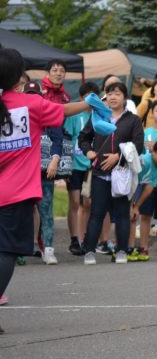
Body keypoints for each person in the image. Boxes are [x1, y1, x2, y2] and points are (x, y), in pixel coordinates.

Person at [0, 48, 93, 334]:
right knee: (6, 252)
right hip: (14, 194)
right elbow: (63, 111)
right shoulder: (30, 104)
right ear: (19, 76)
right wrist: (90, 103)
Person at [79, 82, 144, 265]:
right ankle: (90, 251)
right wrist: (89, 152)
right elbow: (83, 138)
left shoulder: (133, 120)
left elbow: (138, 146)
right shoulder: (98, 116)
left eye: (117, 93)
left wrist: (119, 156)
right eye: (109, 94)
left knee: (122, 213)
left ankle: (122, 250)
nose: (113, 97)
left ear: (125, 97)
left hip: (122, 174)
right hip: (100, 173)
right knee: (97, 213)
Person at [38, 59, 72, 265]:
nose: (58, 73)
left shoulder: (65, 98)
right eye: (54, 70)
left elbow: (58, 133)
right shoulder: (39, 94)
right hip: (26, 163)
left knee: (46, 205)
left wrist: (55, 159)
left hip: (50, 156)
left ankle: (48, 248)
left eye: (62, 70)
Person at [63, 81, 100, 256]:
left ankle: (85, 238)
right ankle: (74, 239)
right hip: (75, 165)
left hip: (91, 166)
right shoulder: (74, 115)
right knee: (75, 202)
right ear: (82, 98)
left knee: (88, 203)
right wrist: (66, 165)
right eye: (87, 96)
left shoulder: (98, 116)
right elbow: (68, 138)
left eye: (94, 96)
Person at [128, 138, 157, 261]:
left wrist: (137, 206)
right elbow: (131, 178)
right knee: (129, 215)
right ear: (153, 152)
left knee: (136, 215)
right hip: (128, 184)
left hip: (139, 186)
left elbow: (149, 188)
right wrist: (132, 204)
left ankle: (142, 248)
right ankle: (128, 248)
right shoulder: (145, 161)